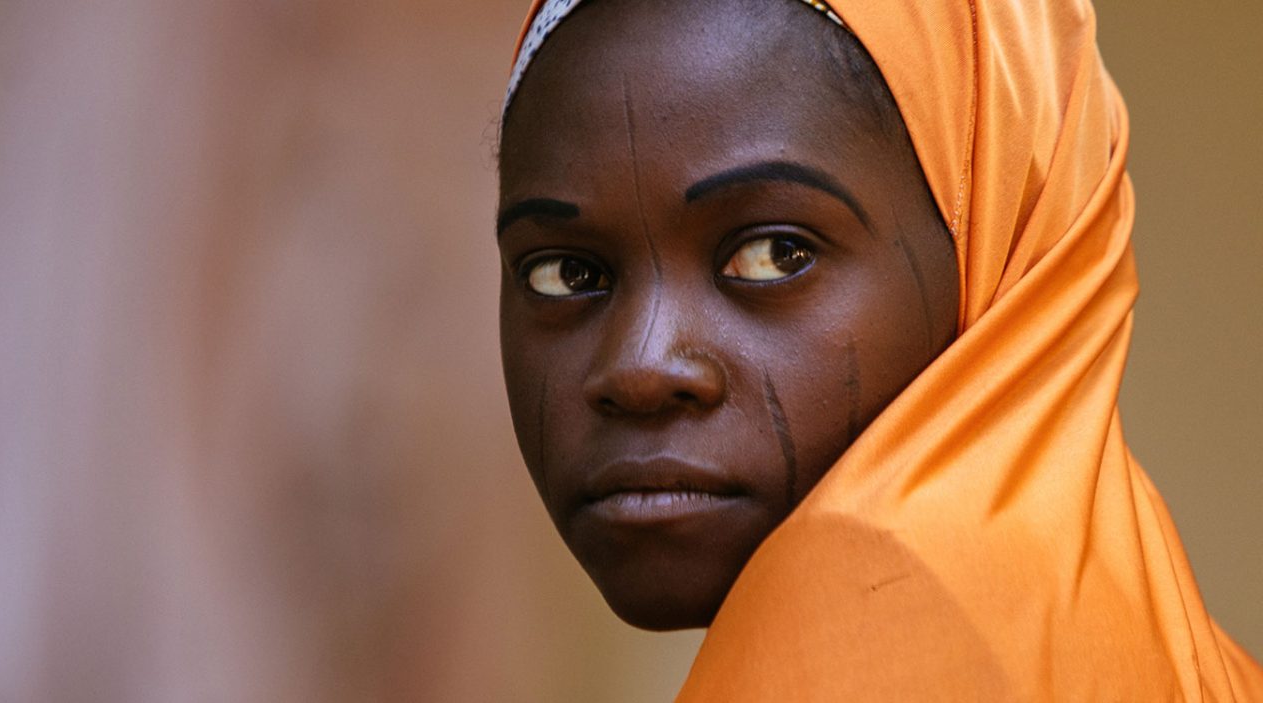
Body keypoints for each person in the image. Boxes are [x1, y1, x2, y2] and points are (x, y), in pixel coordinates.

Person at [494, 0, 1263, 697]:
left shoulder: (894, 626)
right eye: (567, 273)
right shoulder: (1146, 636)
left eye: (772, 255)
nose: (639, 366)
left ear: (996, 245)